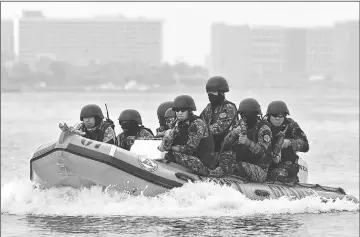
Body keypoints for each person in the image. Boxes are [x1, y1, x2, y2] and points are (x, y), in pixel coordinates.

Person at [210, 98, 273, 183]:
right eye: (242, 115)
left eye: (248, 114)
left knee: (236, 166)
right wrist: (233, 134)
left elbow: (262, 151)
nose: (245, 118)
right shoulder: (240, 124)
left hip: (259, 168)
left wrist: (247, 142)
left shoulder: (264, 129)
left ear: (255, 114)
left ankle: (225, 173)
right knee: (224, 155)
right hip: (242, 161)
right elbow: (224, 145)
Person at [158, 95, 216, 176]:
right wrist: (165, 143)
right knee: (168, 154)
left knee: (173, 155)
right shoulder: (177, 123)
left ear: (189, 111)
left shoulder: (197, 124)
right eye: (177, 110)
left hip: (203, 163)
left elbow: (190, 149)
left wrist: (171, 148)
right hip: (189, 158)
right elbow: (169, 140)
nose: (179, 113)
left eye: (183, 110)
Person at [265, 101, 309, 183]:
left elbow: (305, 145)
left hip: (286, 165)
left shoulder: (291, 125)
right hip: (266, 163)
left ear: (285, 116)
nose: (277, 118)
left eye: (280, 116)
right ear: (269, 115)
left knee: (279, 174)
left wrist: (290, 142)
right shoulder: (263, 125)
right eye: (274, 116)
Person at [200, 76, 238, 164]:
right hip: (211, 147)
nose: (210, 94)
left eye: (213, 92)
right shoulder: (209, 107)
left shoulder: (229, 108)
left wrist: (199, 131)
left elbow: (218, 129)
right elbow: (199, 122)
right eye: (208, 92)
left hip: (226, 149)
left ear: (221, 93)